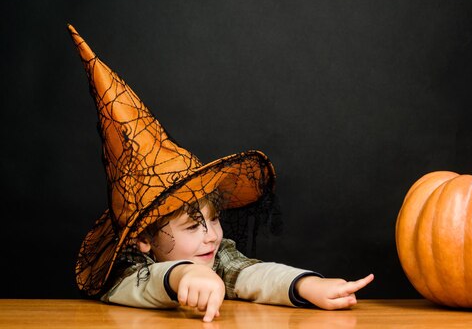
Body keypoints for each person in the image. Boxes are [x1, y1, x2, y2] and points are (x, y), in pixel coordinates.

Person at [67, 24, 374, 322]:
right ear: (144, 238)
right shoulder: (126, 266)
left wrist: (306, 286)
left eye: (213, 218)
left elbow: (251, 274)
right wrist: (184, 274)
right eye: (191, 226)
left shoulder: (214, 255)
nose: (211, 235)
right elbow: (143, 285)